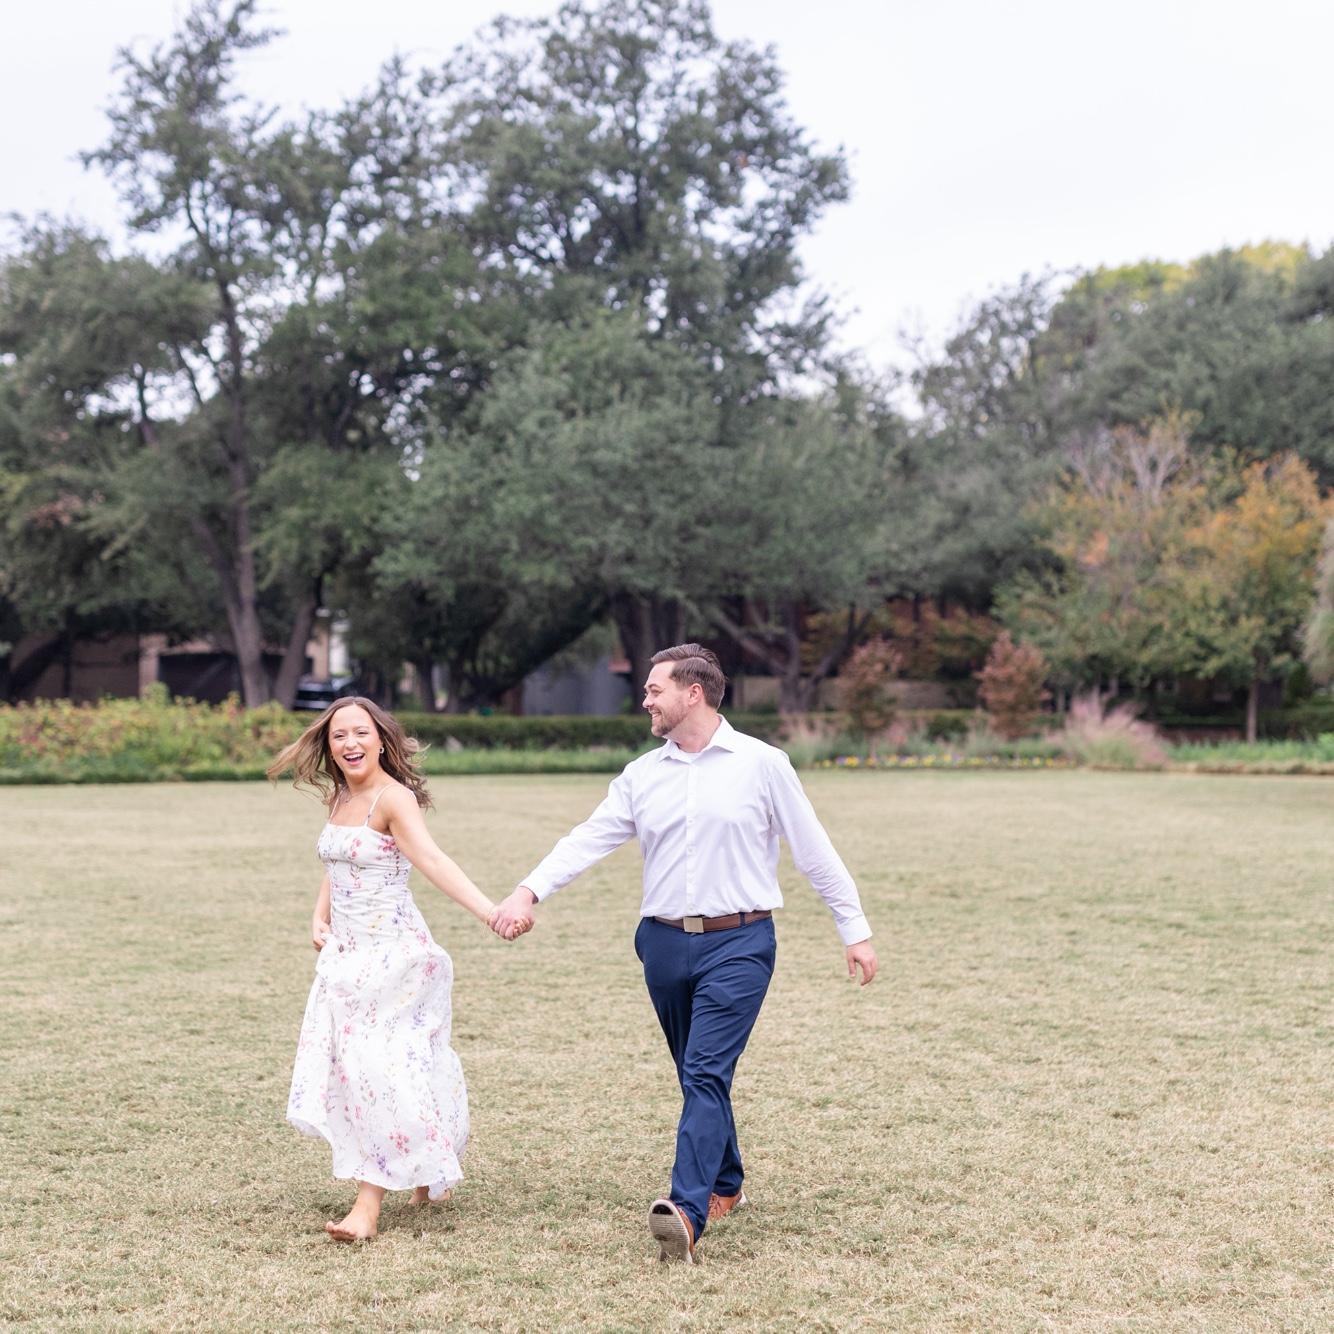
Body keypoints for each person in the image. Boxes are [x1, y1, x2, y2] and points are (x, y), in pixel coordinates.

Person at [491, 644, 877, 1264]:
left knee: (703, 1070)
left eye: (654, 689)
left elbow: (813, 851)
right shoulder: (642, 775)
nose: (645, 700)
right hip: (663, 943)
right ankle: (727, 1181)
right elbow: (588, 839)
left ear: (693, 693)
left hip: (741, 941)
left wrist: (853, 927)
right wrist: (527, 891)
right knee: (698, 1071)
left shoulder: (763, 764)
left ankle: (687, 1211)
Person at [269, 697, 516, 1242]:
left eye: (360, 732)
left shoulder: (393, 798)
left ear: (381, 740)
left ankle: (367, 1207)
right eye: (339, 736)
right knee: (394, 1065)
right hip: (347, 957)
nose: (350, 743)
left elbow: (432, 860)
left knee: (377, 1069)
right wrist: (318, 915)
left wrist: (490, 912)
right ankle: (430, 1167)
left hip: (395, 955)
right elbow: (337, 861)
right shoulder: (340, 795)